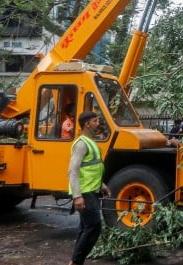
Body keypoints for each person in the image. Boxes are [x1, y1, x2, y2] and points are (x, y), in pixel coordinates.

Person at [67, 112, 110, 265]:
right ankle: (76, 262)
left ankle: (76, 261)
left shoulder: (91, 142)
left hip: (92, 190)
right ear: (87, 124)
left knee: (85, 227)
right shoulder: (81, 144)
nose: (98, 123)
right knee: (94, 227)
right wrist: (77, 196)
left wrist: (102, 186)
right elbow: (73, 170)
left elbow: (93, 168)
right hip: (85, 192)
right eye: (95, 120)